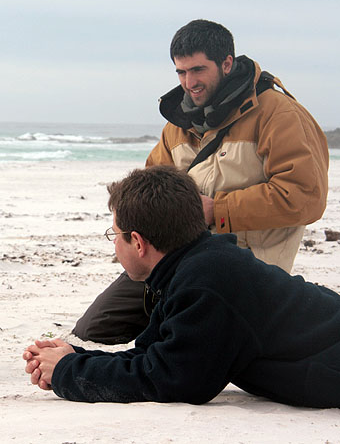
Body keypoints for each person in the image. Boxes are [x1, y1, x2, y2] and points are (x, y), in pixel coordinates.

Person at [72, 19, 329, 345]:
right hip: (174, 259)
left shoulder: (278, 114)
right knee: (96, 328)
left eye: (197, 70)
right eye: (180, 72)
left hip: (245, 266)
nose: (189, 82)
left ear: (226, 63)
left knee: (195, 342)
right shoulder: (178, 123)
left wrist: (216, 211)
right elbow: (151, 184)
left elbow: (305, 196)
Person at [23, 166, 340, 408]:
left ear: (137, 242)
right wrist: (73, 357)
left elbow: (173, 380)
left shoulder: (205, 282)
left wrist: (67, 372)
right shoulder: (194, 265)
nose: (114, 244)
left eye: (114, 234)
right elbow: (154, 355)